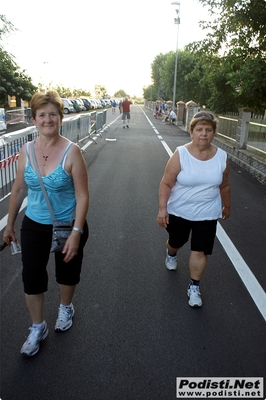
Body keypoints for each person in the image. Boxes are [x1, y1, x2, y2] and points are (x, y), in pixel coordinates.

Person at [2, 90, 89, 356]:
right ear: (34, 119)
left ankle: (65, 308)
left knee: (67, 274)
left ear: (61, 118)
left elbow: (83, 194)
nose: (48, 120)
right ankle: (38, 327)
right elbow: (18, 190)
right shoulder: (26, 151)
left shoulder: (72, 152)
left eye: (53, 114)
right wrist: (9, 225)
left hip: (67, 224)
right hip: (34, 224)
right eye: (42, 115)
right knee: (32, 276)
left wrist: (76, 232)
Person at [157, 112, 230, 308]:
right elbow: (166, 183)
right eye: (199, 130)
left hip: (207, 213)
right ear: (191, 132)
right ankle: (171, 253)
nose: (203, 134)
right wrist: (163, 209)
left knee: (200, 251)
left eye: (208, 130)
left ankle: (194, 286)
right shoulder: (180, 154)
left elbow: (224, 185)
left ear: (214, 133)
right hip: (180, 211)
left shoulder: (222, 157)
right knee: (176, 241)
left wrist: (227, 205)